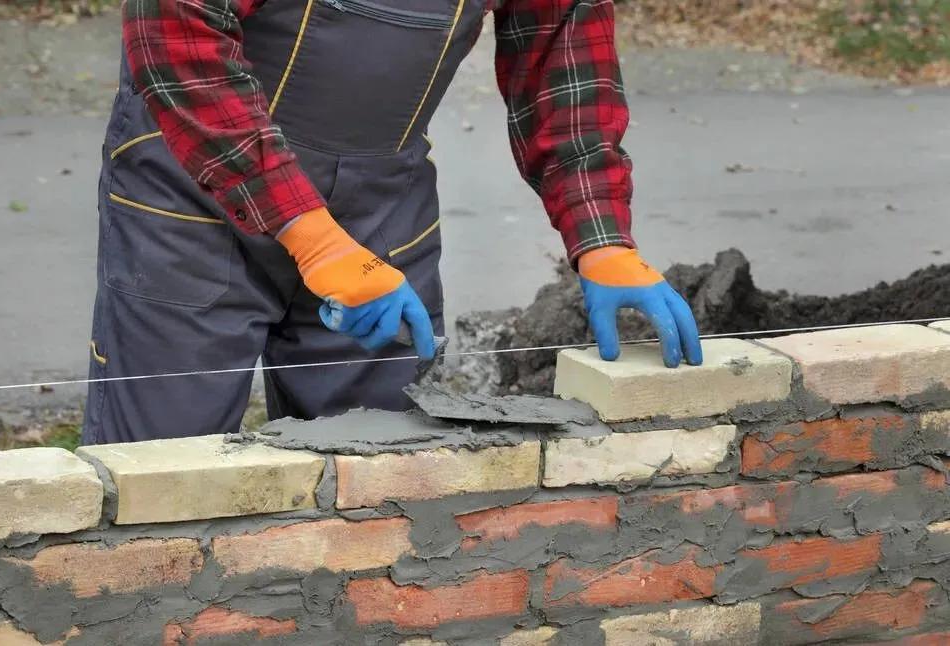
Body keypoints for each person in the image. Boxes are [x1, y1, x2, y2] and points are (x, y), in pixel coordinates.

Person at [82, 0, 702, 445]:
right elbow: (176, 30)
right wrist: (312, 236)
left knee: (379, 475)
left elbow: (564, 67)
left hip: (380, 212)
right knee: (161, 478)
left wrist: (601, 238)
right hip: (194, 193)